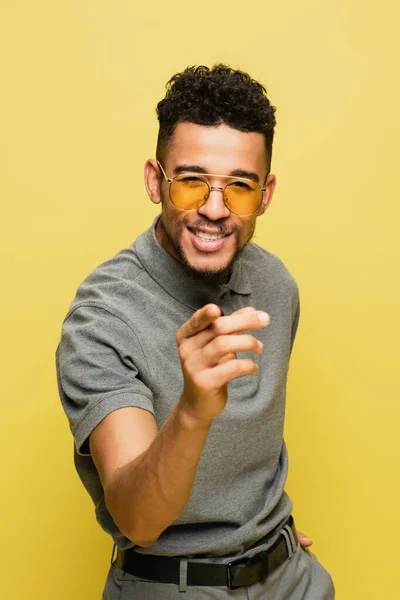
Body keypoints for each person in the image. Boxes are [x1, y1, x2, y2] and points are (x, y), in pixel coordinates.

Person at [56, 64, 335, 599]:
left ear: (267, 193)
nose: (213, 209)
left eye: (240, 187)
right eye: (190, 182)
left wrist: (265, 544)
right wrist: (191, 411)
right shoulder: (102, 316)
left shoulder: (276, 285)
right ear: (153, 180)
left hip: (292, 581)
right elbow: (137, 520)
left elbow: (250, 452)